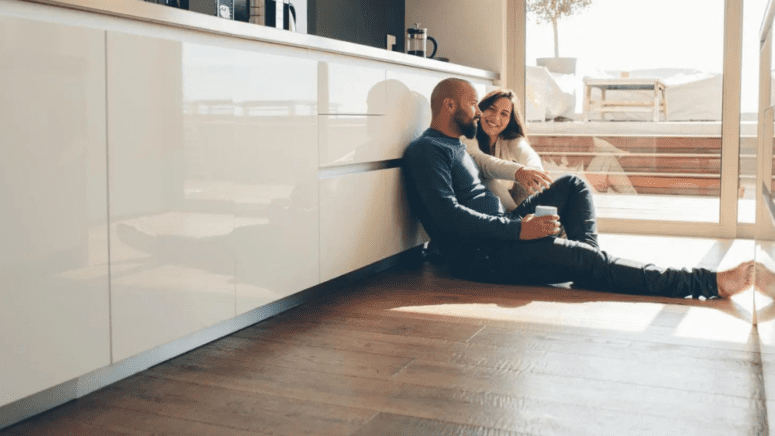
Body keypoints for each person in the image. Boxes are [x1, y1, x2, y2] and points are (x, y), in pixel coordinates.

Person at [402, 77, 753, 299]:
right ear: (449, 106)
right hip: (480, 255)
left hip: (502, 233)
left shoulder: (458, 146)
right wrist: (518, 230)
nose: (479, 113)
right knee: (585, 259)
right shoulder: (425, 151)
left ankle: (587, 266)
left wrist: (518, 221)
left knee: (573, 185)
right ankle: (707, 284)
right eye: (472, 104)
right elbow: (448, 218)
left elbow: (495, 170)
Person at [463, 89, 544, 211]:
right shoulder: (467, 134)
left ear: (510, 120)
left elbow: (527, 154)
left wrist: (534, 171)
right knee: (488, 178)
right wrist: (518, 172)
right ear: (481, 109)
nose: (495, 118)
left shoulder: (509, 139)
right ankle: (517, 221)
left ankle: (527, 220)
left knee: (571, 182)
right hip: (477, 204)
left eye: (504, 114)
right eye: (491, 109)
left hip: (507, 205)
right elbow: (481, 161)